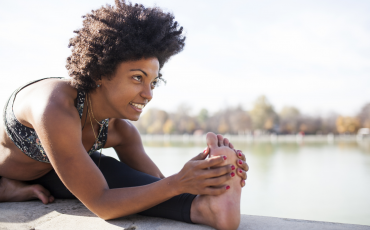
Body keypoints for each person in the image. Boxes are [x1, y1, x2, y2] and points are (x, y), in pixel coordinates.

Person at [0, 1, 249, 230]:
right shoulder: (55, 106)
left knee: (111, 172)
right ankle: (7, 188)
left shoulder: (120, 131)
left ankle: (208, 208)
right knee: (103, 182)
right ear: (100, 72)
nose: (148, 94)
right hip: (11, 171)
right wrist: (177, 183)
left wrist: (204, 176)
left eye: (154, 81)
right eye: (137, 78)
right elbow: (102, 204)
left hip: (53, 173)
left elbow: (156, 184)